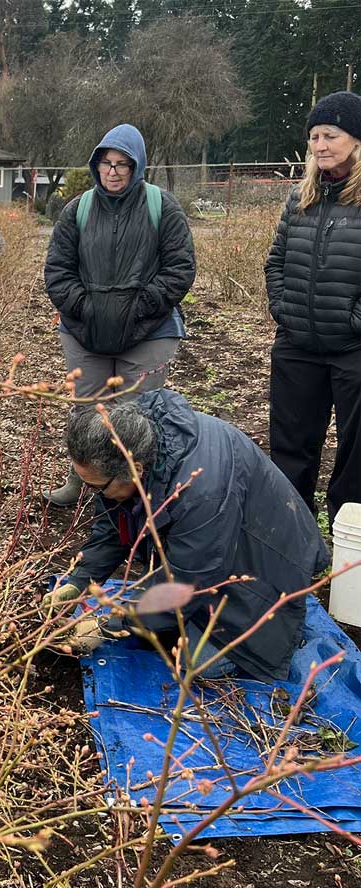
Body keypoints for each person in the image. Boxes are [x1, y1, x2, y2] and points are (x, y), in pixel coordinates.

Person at [48, 390, 329, 682]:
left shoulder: (199, 492)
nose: (91, 492)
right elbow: (112, 527)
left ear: (136, 471)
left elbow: (188, 579)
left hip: (265, 561)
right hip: (215, 547)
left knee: (198, 663)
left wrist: (110, 625)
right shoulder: (128, 443)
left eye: (95, 487)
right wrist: (79, 582)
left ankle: (272, 629)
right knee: (161, 619)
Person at [42, 124, 196, 507]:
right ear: (96, 166)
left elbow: (179, 269)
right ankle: (82, 481)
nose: (113, 172)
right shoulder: (77, 210)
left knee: (140, 413)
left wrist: (139, 308)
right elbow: (58, 271)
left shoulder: (163, 207)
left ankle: (140, 491)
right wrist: (86, 308)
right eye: (106, 164)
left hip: (148, 330)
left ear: (137, 166)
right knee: (87, 409)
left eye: (122, 164)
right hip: (84, 331)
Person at [265, 91, 361, 529]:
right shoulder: (301, 197)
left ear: (356, 140)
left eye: (331, 135)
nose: (320, 145)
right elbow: (276, 261)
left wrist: (353, 322)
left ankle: (347, 545)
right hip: (297, 346)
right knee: (290, 451)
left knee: (356, 455)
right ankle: (293, 538)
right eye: (314, 137)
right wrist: (284, 311)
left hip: (353, 352)